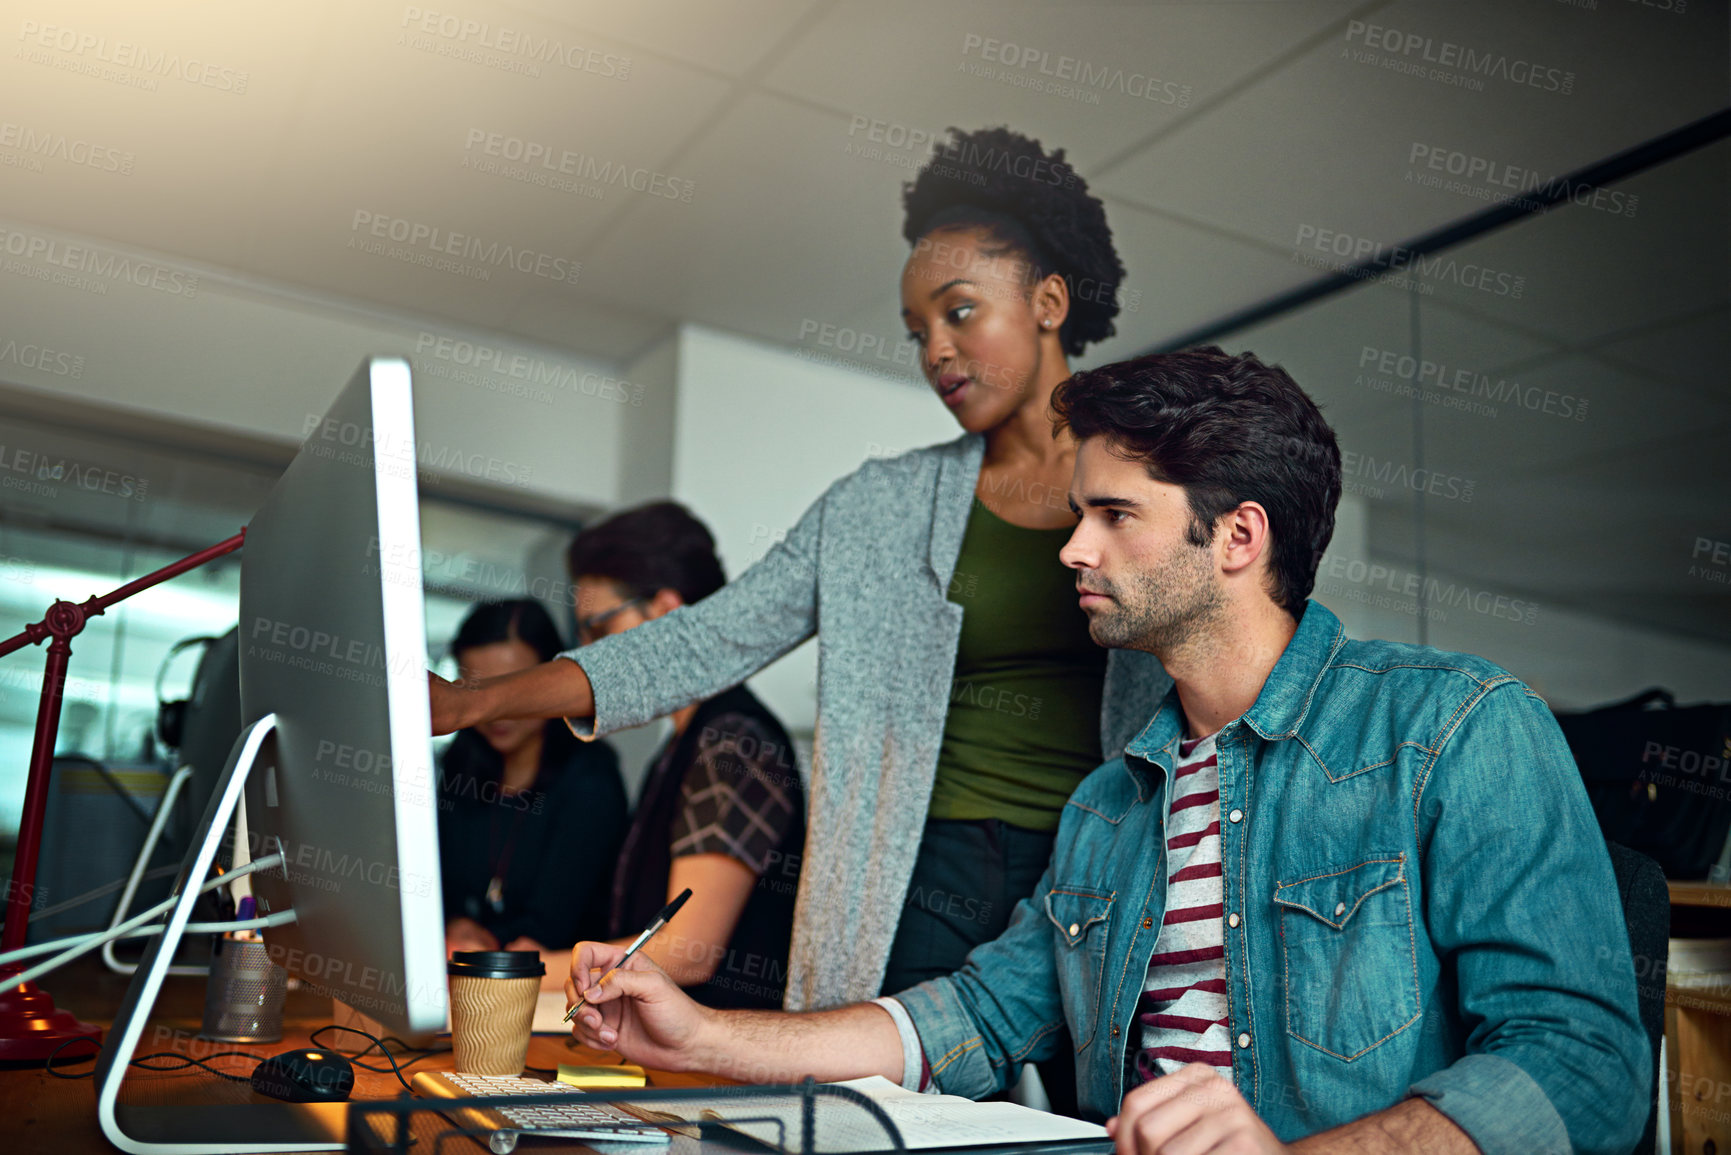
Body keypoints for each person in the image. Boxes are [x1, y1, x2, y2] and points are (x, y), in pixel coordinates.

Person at [562, 347, 1648, 1155]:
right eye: (1078, 513)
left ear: (1238, 536)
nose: (1073, 547)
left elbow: (1588, 1066)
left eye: (1114, 515)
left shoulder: (1455, 728)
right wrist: (698, 1036)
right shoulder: (1109, 808)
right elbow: (971, 1018)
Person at [428, 129, 1170, 1058]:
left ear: (1049, 301)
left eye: (960, 311)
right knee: (879, 1112)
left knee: (1090, 1110)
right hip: (912, 880)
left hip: (1095, 867)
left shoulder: (1158, 479)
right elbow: (697, 643)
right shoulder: (877, 506)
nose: (935, 350)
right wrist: (474, 700)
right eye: (916, 332)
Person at [568, 501, 806, 1010]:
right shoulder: (685, 741)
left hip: (716, 1073)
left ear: (668, 612)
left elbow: (688, 952)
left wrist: (522, 967)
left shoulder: (733, 743)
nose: (585, 653)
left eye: (598, 628)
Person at [438, 599, 626, 983]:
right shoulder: (459, 768)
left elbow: (558, 923)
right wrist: (455, 924)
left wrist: (489, 947)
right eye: (476, 691)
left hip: (561, 991)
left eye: (512, 690)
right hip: (464, 982)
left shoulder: (590, 778)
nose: (496, 710)